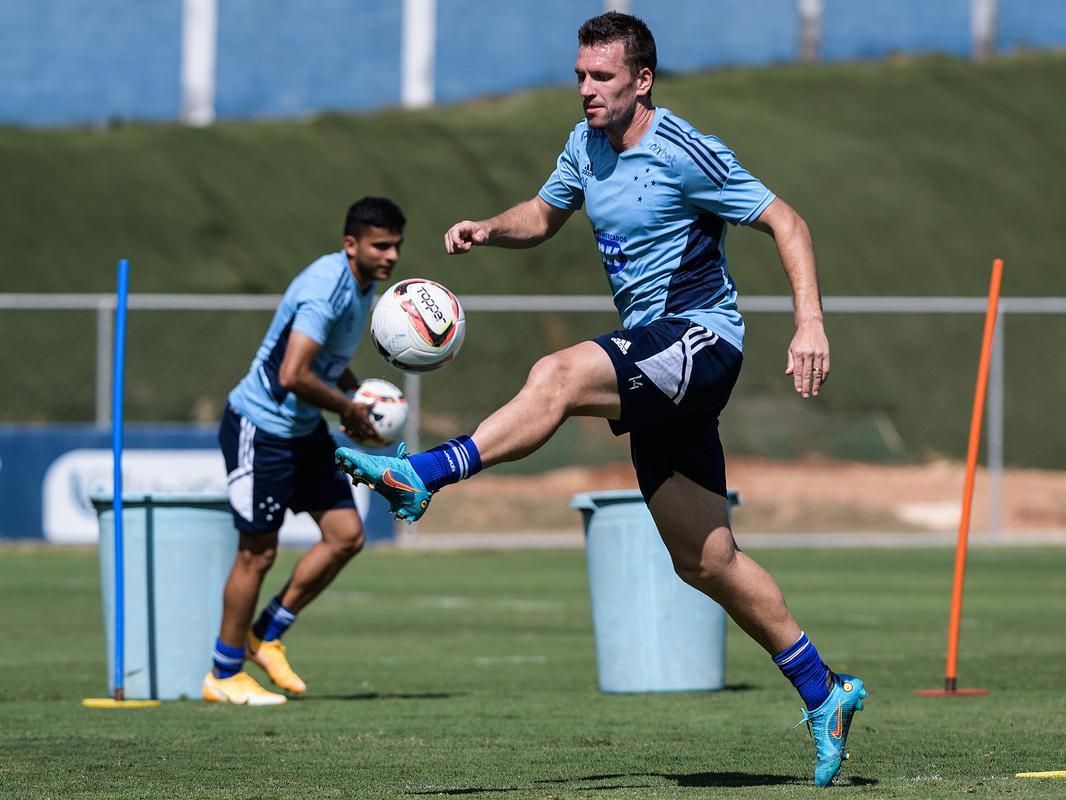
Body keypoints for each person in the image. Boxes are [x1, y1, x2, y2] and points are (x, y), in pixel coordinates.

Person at [335, 13, 865, 785]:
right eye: (581, 74)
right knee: (705, 559)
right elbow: (544, 214)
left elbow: (788, 221)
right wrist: (489, 228)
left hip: (701, 341)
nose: (586, 88)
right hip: (656, 356)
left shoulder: (684, 150)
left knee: (558, 375)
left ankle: (424, 474)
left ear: (642, 81)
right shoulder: (585, 145)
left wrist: (809, 323)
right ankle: (825, 692)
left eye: (603, 76)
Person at [203, 197, 406, 706]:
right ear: (351, 244)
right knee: (257, 553)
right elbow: (294, 374)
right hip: (259, 429)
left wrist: (357, 400)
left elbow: (327, 360)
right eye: (381, 246)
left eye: (397, 246)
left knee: (346, 536)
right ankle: (223, 675)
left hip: (303, 429)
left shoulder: (364, 285)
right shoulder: (325, 290)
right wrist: (349, 410)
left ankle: (264, 636)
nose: (391, 256)